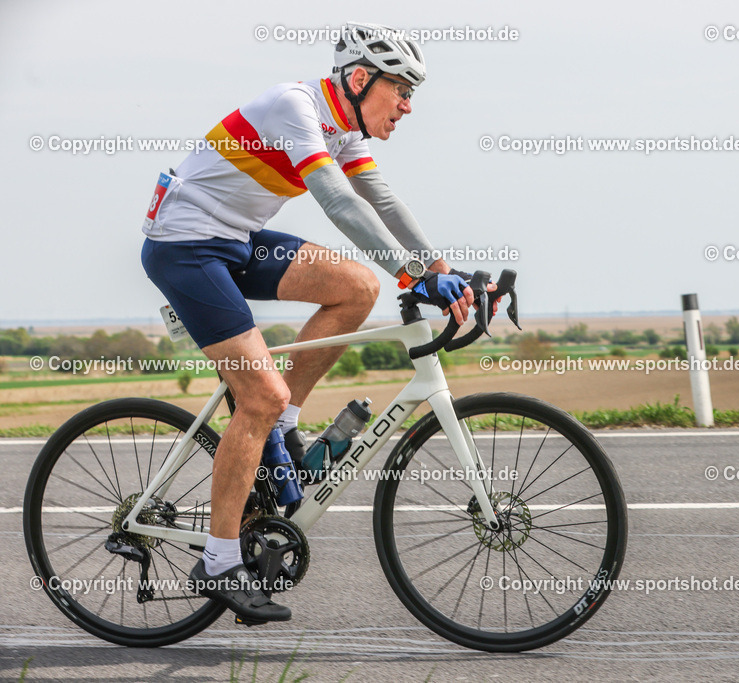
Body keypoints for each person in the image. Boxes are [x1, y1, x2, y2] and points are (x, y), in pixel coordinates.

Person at [140, 22, 484, 623]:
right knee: (259, 395)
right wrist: (413, 275)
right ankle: (220, 563)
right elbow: (337, 199)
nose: (407, 105)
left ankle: (284, 430)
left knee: (356, 286)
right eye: (401, 89)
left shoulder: (343, 125)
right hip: (187, 244)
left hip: (237, 239)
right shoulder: (294, 106)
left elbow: (380, 199)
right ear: (359, 78)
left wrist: (442, 270)